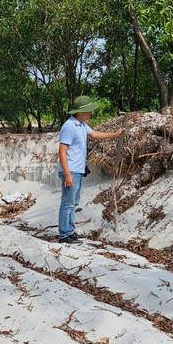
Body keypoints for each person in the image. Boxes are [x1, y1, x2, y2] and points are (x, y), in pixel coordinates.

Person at [56, 95, 123, 244]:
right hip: (70, 170)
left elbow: (95, 134)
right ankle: (64, 235)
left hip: (77, 170)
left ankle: (70, 231)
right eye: (88, 111)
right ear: (81, 112)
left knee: (73, 202)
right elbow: (62, 151)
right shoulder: (69, 126)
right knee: (67, 203)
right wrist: (67, 174)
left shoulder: (81, 124)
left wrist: (115, 134)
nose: (90, 113)